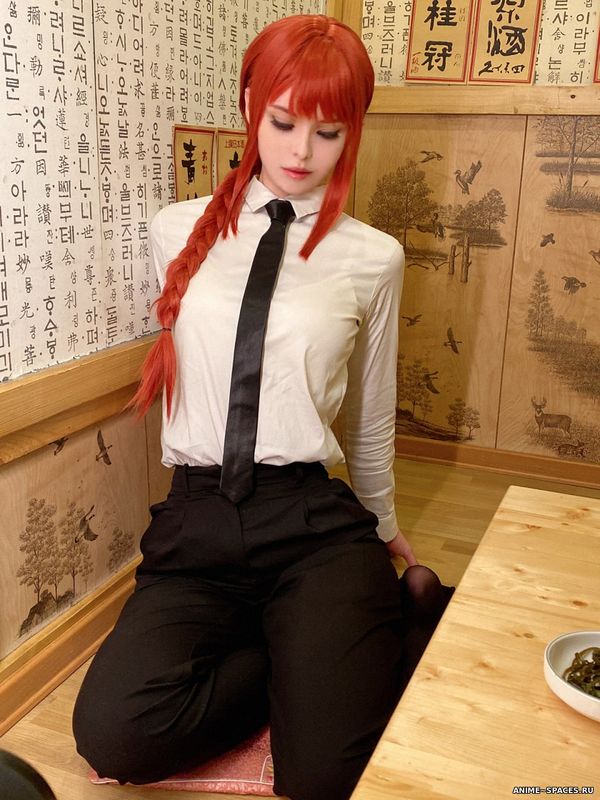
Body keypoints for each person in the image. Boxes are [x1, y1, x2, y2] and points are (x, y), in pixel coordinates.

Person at [73, 14, 451, 800]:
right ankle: (305, 656)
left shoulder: (373, 257)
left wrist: (383, 522)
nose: (300, 151)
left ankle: (364, 628)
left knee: (322, 776)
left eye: (327, 132)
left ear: (351, 133)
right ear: (249, 102)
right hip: (197, 521)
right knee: (114, 733)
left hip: (309, 522)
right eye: (282, 122)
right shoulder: (174, 230)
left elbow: (370, 414)